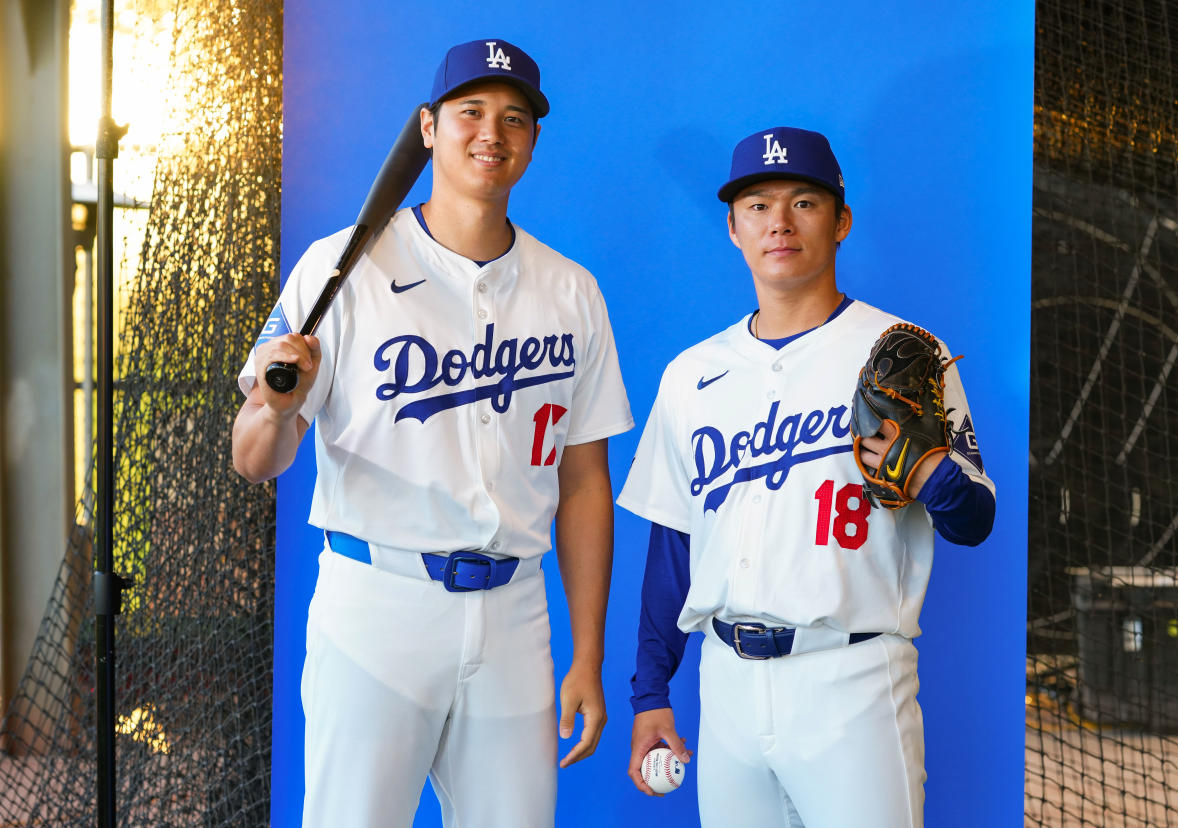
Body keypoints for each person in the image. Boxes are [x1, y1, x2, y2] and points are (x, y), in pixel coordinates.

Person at [232, 38, 632, 828]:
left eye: (514, 118)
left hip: (515, 611)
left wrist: (587, 653)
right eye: (471, 113)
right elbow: (254, 460)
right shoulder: (340, 268)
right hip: (378, 604)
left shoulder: (571, 291)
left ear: (533, 139)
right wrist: (277, 407)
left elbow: (584, 484)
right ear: (428, 127)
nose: (493, 133)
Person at [617, 126, 995, 827]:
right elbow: (673, 546)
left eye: (804, 203)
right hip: (725, 682)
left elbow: (974, 521)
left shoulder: (904, 351)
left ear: (841, 220)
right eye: (757, 205)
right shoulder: (691, 374)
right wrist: (651, 695)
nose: (779, 223)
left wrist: (936, 479)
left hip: (851, 680)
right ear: (733, 228)